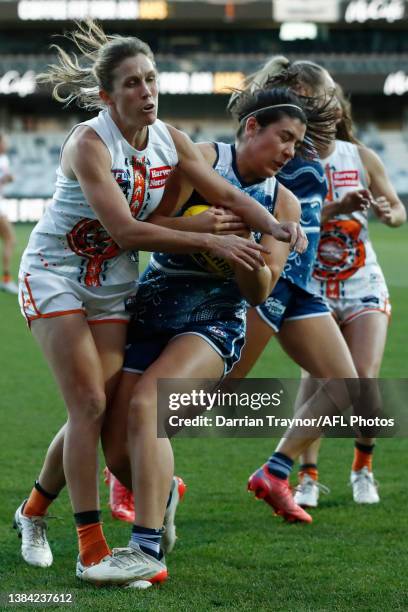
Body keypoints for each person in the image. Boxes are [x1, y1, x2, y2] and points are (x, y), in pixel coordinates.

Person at [13, 21, 305, 582]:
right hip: (63, 275)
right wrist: (211, 240)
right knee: (93, 410)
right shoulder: (92, 142)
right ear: (107, 95)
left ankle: (127, 527)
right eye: (132, 83)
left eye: (151, 79)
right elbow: (129, 229)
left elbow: (225, 200)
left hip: (126, 290)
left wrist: (273, 226)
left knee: (117, 412)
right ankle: (73, 529)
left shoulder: (173, 140)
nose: (146, 91)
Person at [84, 84, 309, 587]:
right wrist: (204, 230)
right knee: (118, 451)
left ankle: (145, 551)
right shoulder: (200, 159)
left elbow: (258, 292)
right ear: (252, 127)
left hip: (213, 323)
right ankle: (161, 496)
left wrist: (245, 250)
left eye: (298, 145)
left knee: (150, 406)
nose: (290, 152)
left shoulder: (283, 204)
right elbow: (151, 221)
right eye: (284, 138)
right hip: (151, 308)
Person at [228, 58, 361, 516]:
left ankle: (276, 471)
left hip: (300, 286)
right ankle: (124, 466)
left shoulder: (307, 150)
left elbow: (301, 219)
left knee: (346, 387)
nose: (334, 104)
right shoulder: (276, 145)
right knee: (210, 390)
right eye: (326, 95)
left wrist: (335, 207)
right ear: (303, 94)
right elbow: (243, 197)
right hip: (267, 282)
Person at [294, 83, 406, 506]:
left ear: (340, 113)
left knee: (362, 378)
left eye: (329, 108)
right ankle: (307, 476)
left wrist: (386, 210)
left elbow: (398, 211)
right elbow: (288, 216)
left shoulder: (360, 157)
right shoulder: (294, 161)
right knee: (318, 379)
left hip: (363, 283)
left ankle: (363, 466)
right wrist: (336, 210)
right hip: (313, 286)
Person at [0, 133, 18, 294]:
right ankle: (6, 280)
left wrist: (7, 178)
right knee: (10, 240)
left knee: (10, 240)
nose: (7, 144)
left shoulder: (4, 159)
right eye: (5, 141)